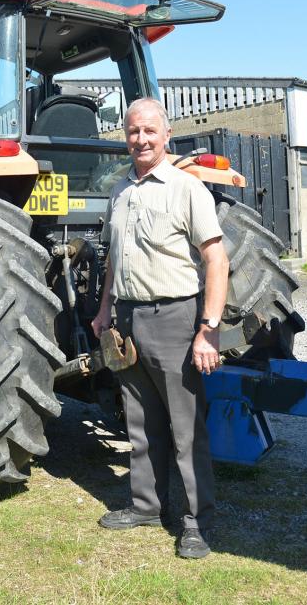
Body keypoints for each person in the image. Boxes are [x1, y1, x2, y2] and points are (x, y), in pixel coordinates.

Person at [91, 98, 229, 559]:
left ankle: (196, 521)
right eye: (133, 132)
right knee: (140, 421)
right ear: (125, 137)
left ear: (167, 135)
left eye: (150, 131)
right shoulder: (120, 191)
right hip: (129, 319)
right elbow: (114, 258)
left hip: (175, 318)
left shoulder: (188, 188)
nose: (141, 139)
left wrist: (208, 329)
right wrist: (105, 309)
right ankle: (147, 505)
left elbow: (216, 259)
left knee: (186, 429)